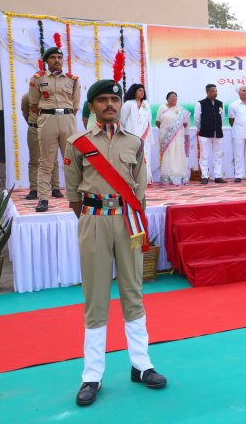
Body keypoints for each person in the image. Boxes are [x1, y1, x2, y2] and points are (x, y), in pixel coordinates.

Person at [64, 77, 166, 407]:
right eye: (103, 100)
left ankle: (141, 365)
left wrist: (130, 216)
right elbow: (72, 192)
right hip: (93, 220)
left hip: (128, 222)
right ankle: (92, 375)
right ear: (92, 106)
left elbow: (139, 189)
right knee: (95, 297)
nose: (110, 104)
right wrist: (91, 219)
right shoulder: (77, 143)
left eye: (114, 99)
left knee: (133, 291)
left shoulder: (134, 143)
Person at [29, 42, 80, 212]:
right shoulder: (38, 79)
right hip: (48, 119)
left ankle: (77, 197)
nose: (57, 60)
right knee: (46, 161)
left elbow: (75, 105)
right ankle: (43, 198)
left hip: (67, 118)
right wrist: (47, 115)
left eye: (59, 57)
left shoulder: (72, 79)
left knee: (72, 160)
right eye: (53, 57)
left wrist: (65, 114)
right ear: (46, 61)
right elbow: (34, 104)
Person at [21, 92, 60, 200]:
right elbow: (25, 113)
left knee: (53, 159)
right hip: (34, 129)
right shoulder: (27, 96)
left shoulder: (52, 96)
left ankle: (55, 188)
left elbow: (58, 112)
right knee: (34, 160)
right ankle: (34, 189)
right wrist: (34, 123)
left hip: (50, 129)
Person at [120, 84, 153, 183]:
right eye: (140, 90)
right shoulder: (128, 104)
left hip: (145, 135)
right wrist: (130, 131)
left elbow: (149, 120)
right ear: (134, 92)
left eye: (143, 90)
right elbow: (122, 120)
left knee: (146, 155)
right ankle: (132, 178)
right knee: (133, 156)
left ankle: (145, 178)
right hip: (132, 135)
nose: (142, 92)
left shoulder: (146, 104)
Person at [156, 91, 190, 186]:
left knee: (178, 154)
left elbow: (185, 123)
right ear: (167, 98)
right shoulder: (162, 108)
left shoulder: (181, 109)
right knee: (168, 155)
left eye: (175, 97)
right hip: (166, 137)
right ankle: (167, 177)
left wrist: (176, 130)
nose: (173, 99)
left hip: (178, 136)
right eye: (171, 97)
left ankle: (179, 176)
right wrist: (167, 131)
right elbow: (158, 122)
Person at [194, 84, 225, 184]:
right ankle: (205, 176)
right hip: (205, 133)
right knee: (204, 155)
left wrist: (218, 127)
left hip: (218, 133)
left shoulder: (220, 103)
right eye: (212, 91)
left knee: (218, 155)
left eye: (216, 91)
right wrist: (201, 129)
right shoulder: (200, 103)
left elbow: (222, 117)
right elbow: (197, 119)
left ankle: (218, 176)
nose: (215, 93)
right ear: (207, 92)